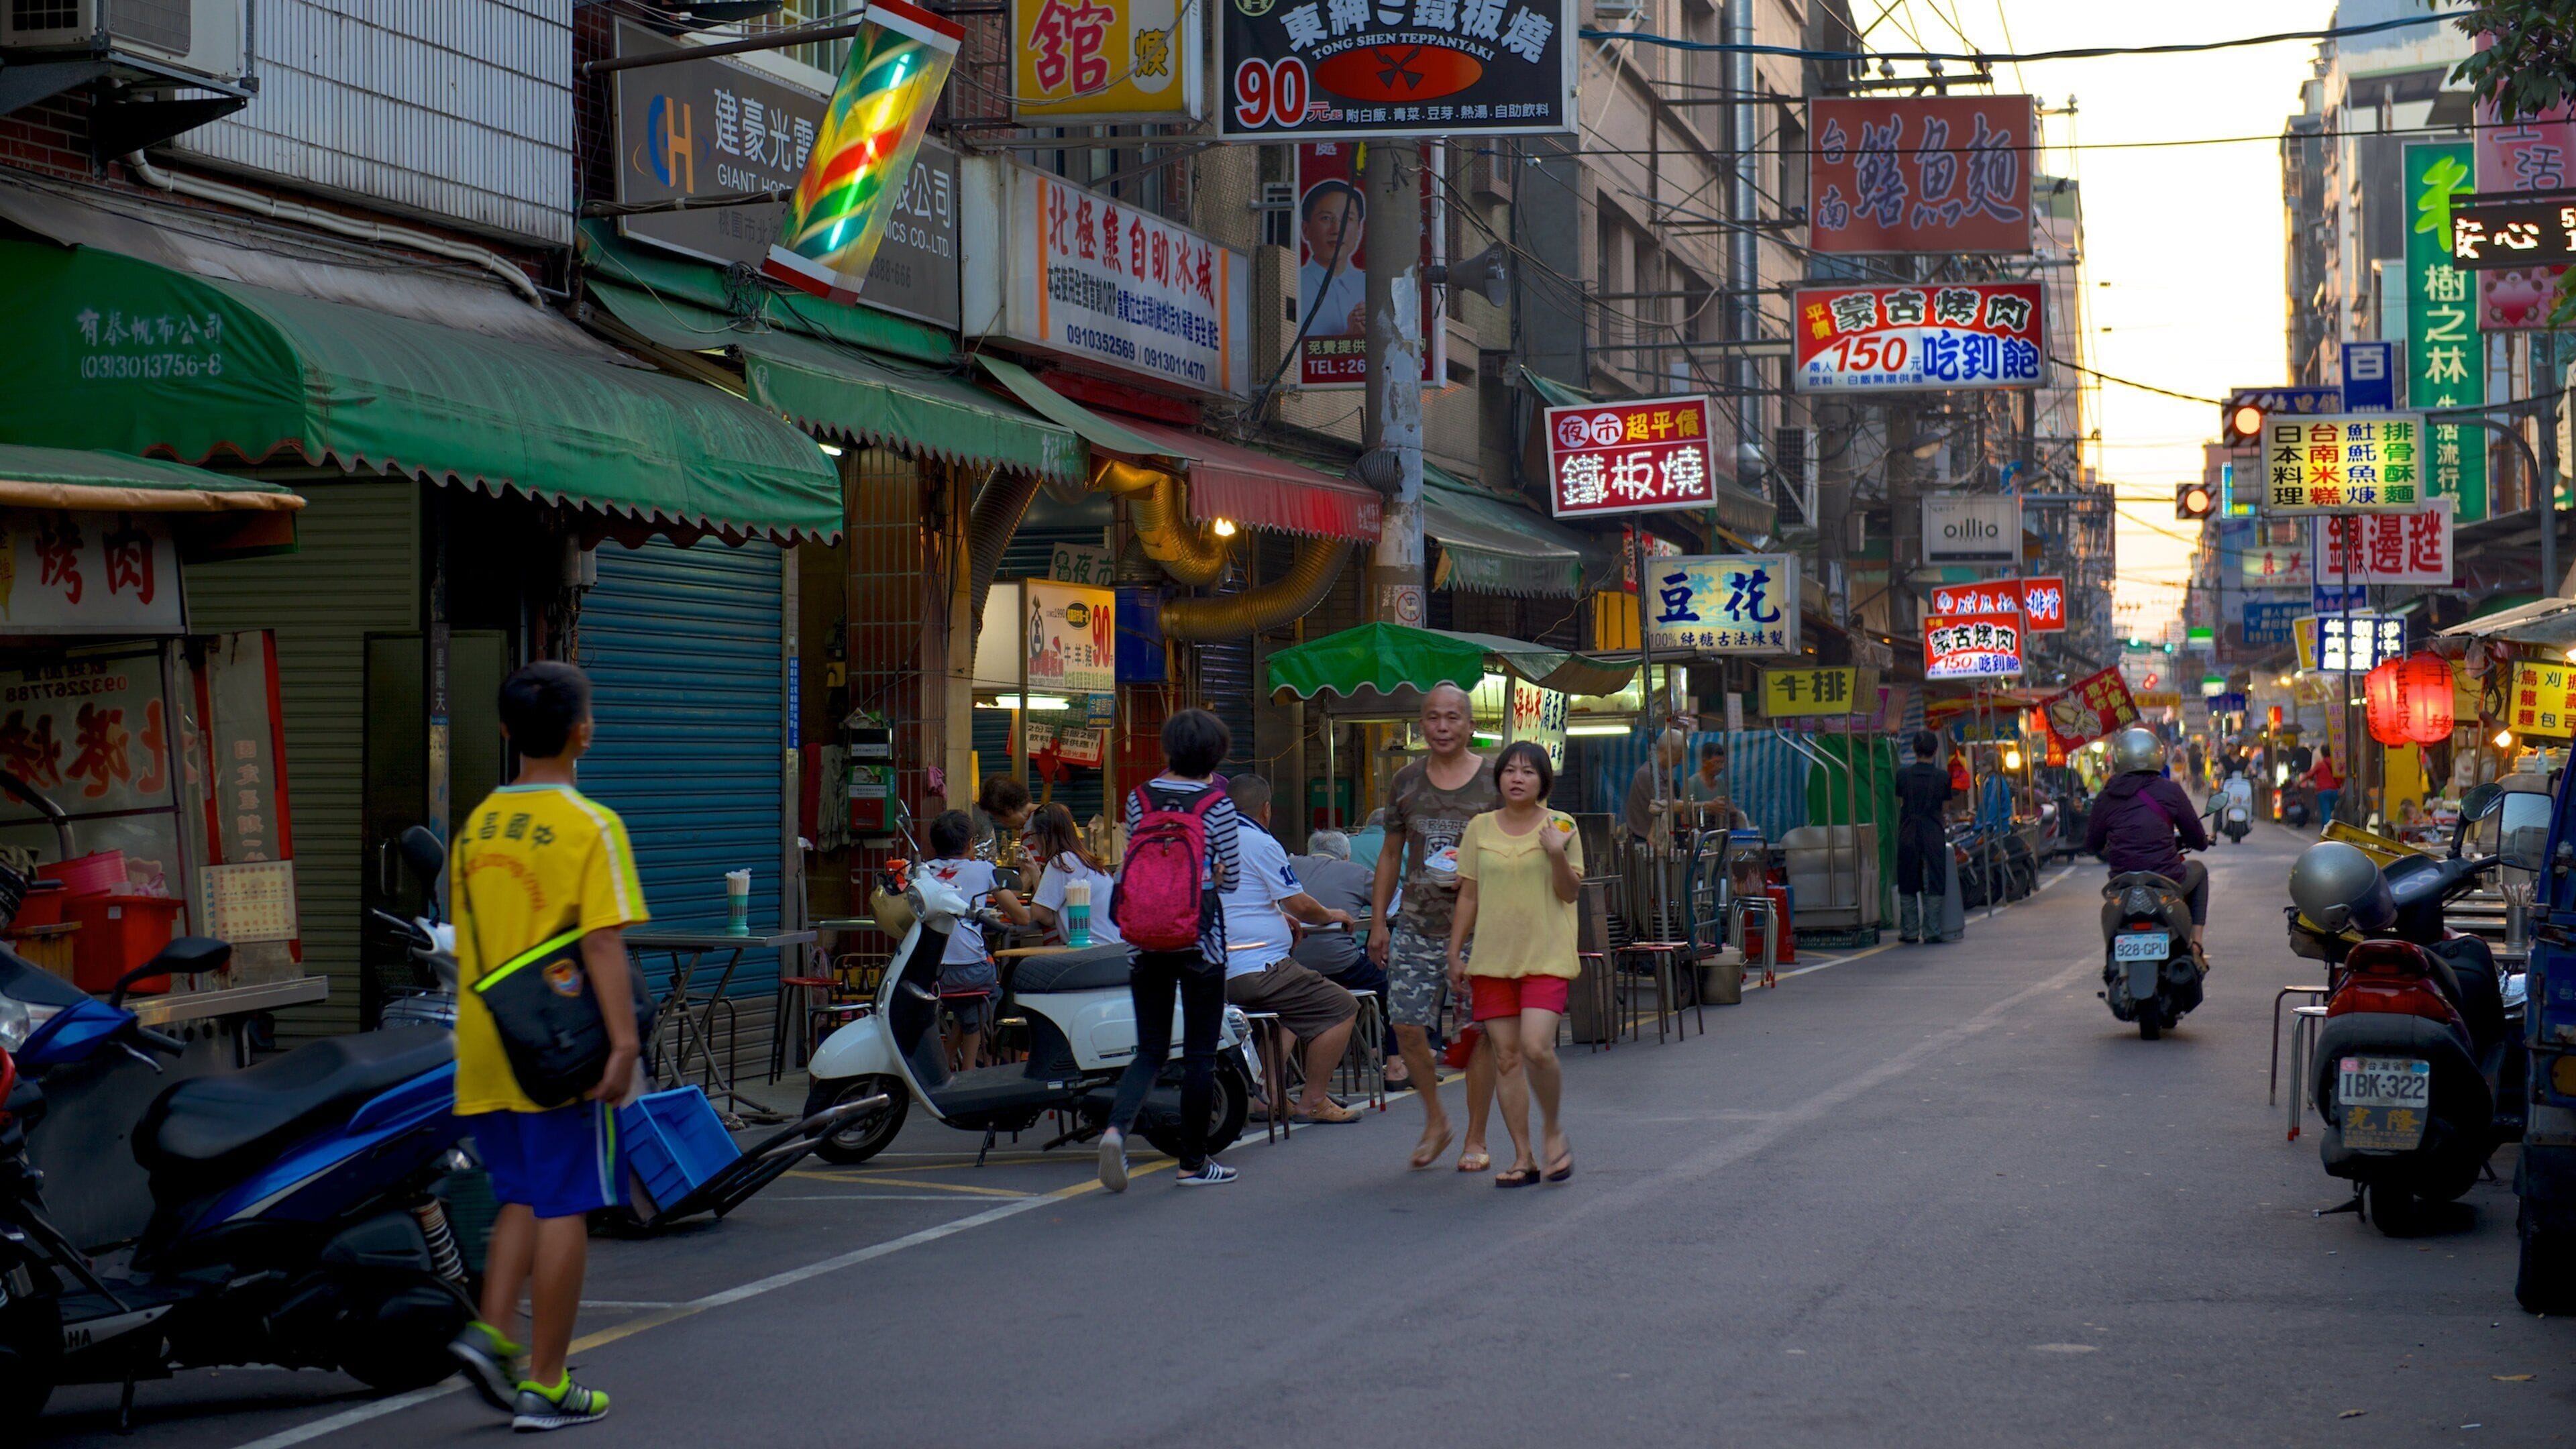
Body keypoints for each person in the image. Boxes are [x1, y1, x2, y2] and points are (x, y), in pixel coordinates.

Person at [445, 663, 644, 1432]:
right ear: (583, 732)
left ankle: (491, 1335)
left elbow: (466, 942)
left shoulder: (476, 826)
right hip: (560, 1049)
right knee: (566, 1201)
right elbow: (601, 942)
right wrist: (622, 1044)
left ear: (504, 733)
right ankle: (548, 1381)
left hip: (487, 1044)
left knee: (521, 1194)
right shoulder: (589, 824)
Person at [1099, 708, 1244, 1191]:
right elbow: (1233, 878)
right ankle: (1193, 1163)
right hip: (1200, 942)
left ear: (1169, 749)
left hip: (1144, 942)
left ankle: (1117, 1131)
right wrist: (1212, 877)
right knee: (1201, 1055)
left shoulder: (1140, 798)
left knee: (1150, 1051)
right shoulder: (1217, 804)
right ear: (1216, 755)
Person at [1369, 682, 1500, 1172]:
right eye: (1432, 718)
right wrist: (1380, 922)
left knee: (1478, 1035)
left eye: (1452, 718)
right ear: (1421, 724)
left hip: (1481, 930)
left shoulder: (1495, 779)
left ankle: (1476, 1137)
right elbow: (1390, 853)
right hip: (1417, 923)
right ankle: (1436, 1120)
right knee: (1404, 1024)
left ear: (1469, 725)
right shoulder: (1405, 780)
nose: (1442, 727)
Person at [1446, 741, 1581, 1187]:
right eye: (1509, 771)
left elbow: (1570, 892)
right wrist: (1455, 950)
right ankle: (1524, 1157)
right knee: (1505, 1057)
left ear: (1544, 781)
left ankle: (1553, 1130)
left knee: (1537, 1046)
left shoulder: (1561, 825)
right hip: (1493, 958)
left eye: (1527, 772)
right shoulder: (1480, 828)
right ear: (1499, 778)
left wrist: (1556, 851)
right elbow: (1468, 892)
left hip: (1546, 953)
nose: (1517, 778)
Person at [1220, 776, 1362, 1124]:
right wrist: (1330, 914)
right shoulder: (1260, 842)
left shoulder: (1211, 841)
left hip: (1218, 968)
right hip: (1259, 966)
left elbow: (1238, 901)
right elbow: (1301, 904)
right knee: (1342, 1005)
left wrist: (1275, 915)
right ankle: (1313, 1100)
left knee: (1285, 1015)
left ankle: (1266, 1097)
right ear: (1266, 809)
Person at [2086, 725, 2212, 956]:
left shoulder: (2106, 796)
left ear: (2118, 759)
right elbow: (2198, 839)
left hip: (2122, 883)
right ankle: (2196, 944)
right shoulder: (2170, 791)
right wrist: (2201, 840)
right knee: (2199, 871)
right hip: (2166, 879)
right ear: (2158, 756)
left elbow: (2092, 844)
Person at [1289, 829, 1401, 1085]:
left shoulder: (1289, 864)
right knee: (1394, 990)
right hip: (1340, 964)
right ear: (1347, 855)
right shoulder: (1356, 873)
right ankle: (1395, 1065)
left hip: (1291, 962)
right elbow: (1394, 901)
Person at [920, 810, 1028, 1072]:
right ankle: (968, 1069)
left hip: (930, 973)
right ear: (971, 844)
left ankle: (947, 1056)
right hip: (971, 972)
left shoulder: (922, 872)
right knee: (989, 996)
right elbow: (1021, 917)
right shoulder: (983, 869)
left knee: (963, 1003)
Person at [1024, 802, 1121, 947]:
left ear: (1044, 835)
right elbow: (1047, 909)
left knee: (1024, 968)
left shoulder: (1063, 861)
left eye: (1032, 836)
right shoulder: (1084, 860)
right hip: (1116, 950)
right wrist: (1033, 871)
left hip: (1092, 952)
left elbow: (1040, 913)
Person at [1892, 729, 1955, 945]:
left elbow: (1902, 802)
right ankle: (1932, 930)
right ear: (1936, 750)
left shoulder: (1902, 775)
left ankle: (1909, 932)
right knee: (1934, 881)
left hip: (1908, 833)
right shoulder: (1943, 777)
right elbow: (1945, 808)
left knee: (1908, 880)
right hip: (1933, 833)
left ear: (1913, 749)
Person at [1297, 178, 1367, 337]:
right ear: (1306, 229)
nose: (1337, 230)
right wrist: (1348, 337)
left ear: (1359, 230)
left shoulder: (1375, 288)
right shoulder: (1293, 287)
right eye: (1326, 218)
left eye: (1347, 219)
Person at [1683, 739, 1752, 829]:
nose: (1720, 767)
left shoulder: (1720, 784)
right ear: (1704, 762)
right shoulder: (1692, 783)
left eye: (1722, 763)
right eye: (1716, 762)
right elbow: (1684, 818)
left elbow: (1729, 809)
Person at [972, 773, 1032, 869]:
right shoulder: (1053, 811)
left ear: (1008, 811)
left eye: (1001, 820)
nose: (1005, 825)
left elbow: (1032, 868)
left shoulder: (1033, 827)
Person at [2308, 747, 2343, 829]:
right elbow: (2342, 777)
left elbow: (2310, 775)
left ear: (2322, 753)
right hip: (2335, 792)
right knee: (2333, 812)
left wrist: (2300, 781)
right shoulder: (2336, 765)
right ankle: (2330, 830)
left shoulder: (2320, 764)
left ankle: (2327, 831)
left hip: (2323, 792)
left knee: (2326, 813)